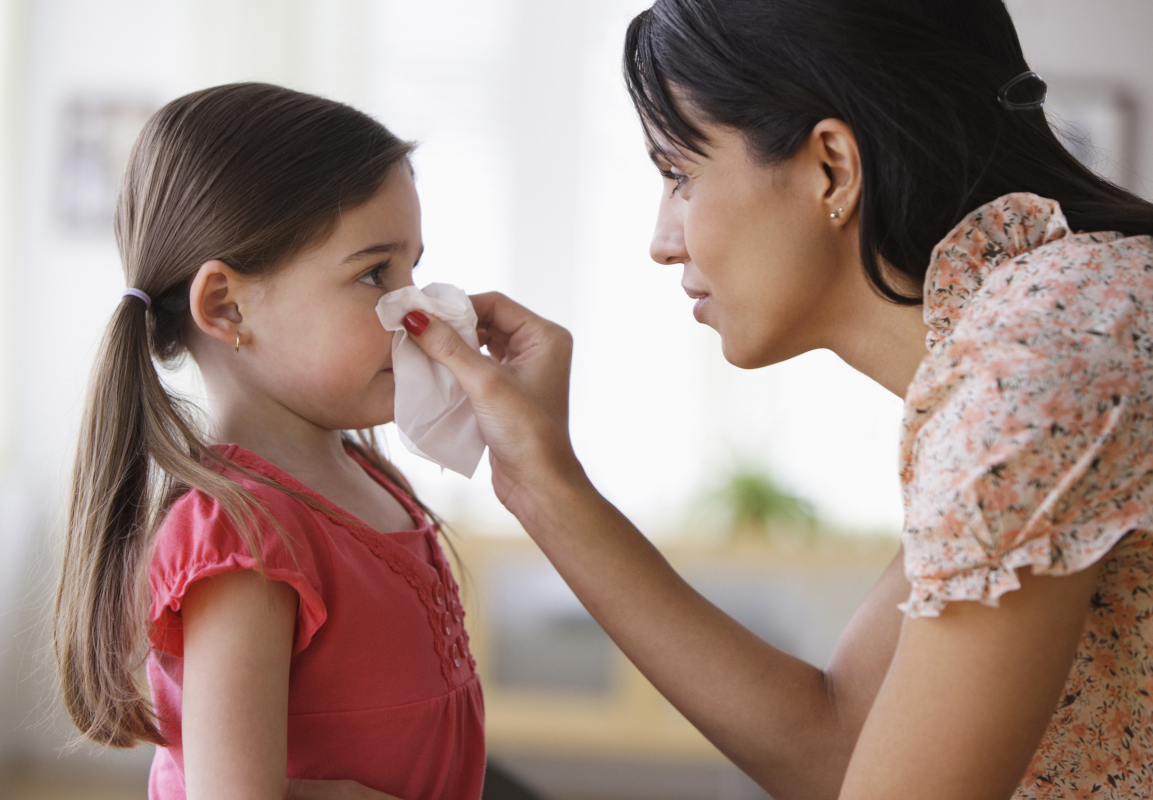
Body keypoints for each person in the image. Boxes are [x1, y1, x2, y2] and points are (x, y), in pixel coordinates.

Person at [398, 1, 1153, 798]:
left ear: (832, 166)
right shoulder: (1059, 316)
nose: (662, 241)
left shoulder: (1033, 362)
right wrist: (537, 480)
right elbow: (840, 744)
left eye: (679, 175)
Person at [52, 83, 483, 800]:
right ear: (226, 306)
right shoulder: (243, 536)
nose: (418, 311)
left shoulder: (367, 477)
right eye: (375, 273)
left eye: (413, 268)